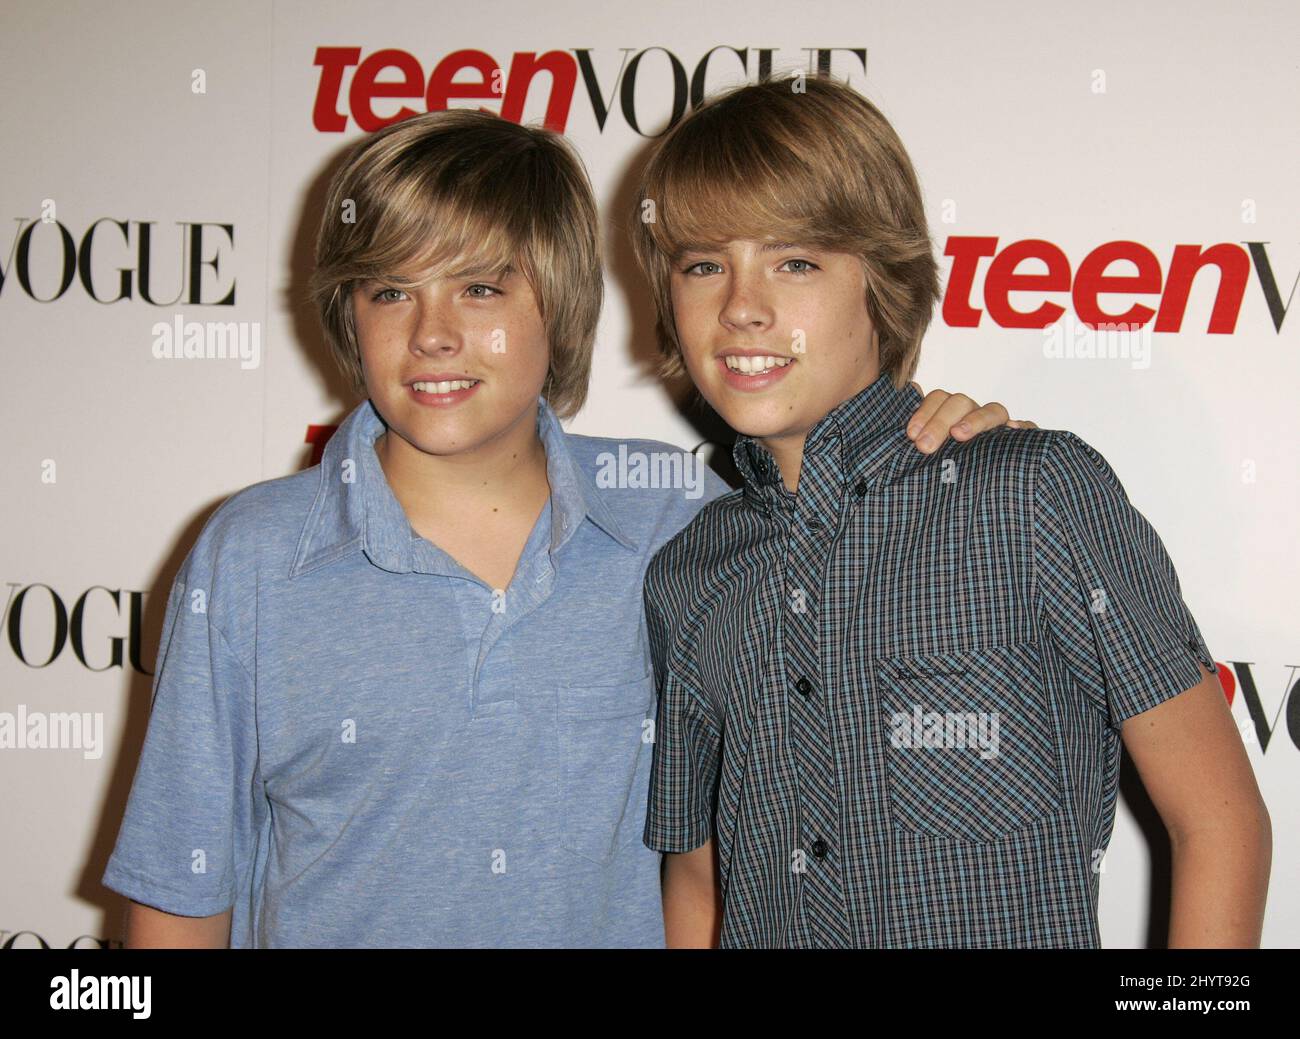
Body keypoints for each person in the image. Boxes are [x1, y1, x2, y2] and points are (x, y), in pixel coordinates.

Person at [101, 107, 1021, 948]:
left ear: (563, 304)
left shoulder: (686, 522)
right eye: (390, 291)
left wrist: (956, 455)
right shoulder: (253, 557)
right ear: (347, 311)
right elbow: (180, 901)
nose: (431, 334)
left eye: (480, 289)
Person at [629, 74, 1272, 949]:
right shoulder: (690, 573)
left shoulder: (1033, 495)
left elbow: (1221, 820)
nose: (741, 307)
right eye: (703, 264)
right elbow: (701, 883)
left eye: (796, 261)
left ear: (883, 282)